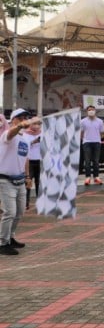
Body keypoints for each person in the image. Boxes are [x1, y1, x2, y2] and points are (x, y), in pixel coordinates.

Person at [0, 108, 41, 255]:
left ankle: (10, 237)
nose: (24, 119)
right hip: (5, 180)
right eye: (20, 117)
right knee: (9, 212)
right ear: (13, 119)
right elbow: (11, 133)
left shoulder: (25, 140)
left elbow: (26, 160)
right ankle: (2, 242)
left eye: (25, 117)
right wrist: (18, 127)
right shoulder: (7, 135)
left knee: (19, 212)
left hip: (19, 180)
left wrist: (28, 177)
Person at [80, 105, 104, 185]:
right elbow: (81, 132)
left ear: (95, 111)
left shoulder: (100, 121)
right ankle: (87, 177)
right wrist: (84, 139)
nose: (91, 111)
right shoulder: (83, 121)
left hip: (97, 142)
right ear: (87, 111)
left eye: (92, 110)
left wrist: (98, 139)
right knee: (87, 161)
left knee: (96, 161)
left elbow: (102, 132)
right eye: (89, 110)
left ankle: (96, 177)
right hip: (86, 142)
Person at [21, 120, 41, 210]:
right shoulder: (25, 134)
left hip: (40, 161)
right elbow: (24, 145)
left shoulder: (42, 133)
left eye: (38, 124)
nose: (36, 126)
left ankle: (40, 203)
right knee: (28, 182)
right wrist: (33, 142)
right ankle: (26, 203)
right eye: (34, 124)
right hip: (29, 161)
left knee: (39, 183)